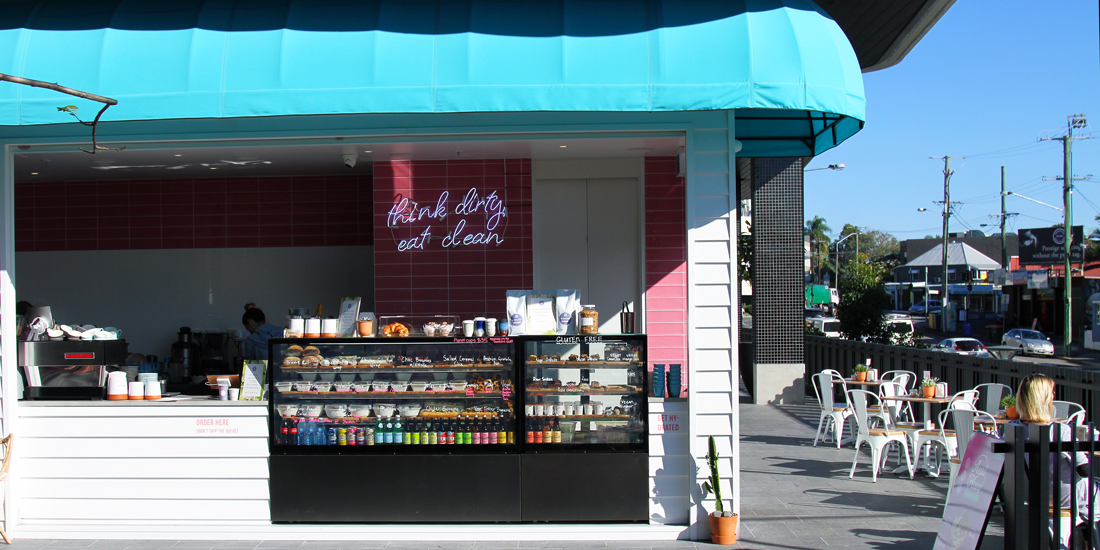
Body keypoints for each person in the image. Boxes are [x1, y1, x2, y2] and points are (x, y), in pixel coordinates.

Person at [1015, 373, 1098, 528]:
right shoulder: (1061, 431)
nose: (1054, 395)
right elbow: (1085, 470)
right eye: (1052, 392)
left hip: (1027, 496)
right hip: (1063, 498)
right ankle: (1090, 537)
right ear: (1045, 399)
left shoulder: (1012, 431)